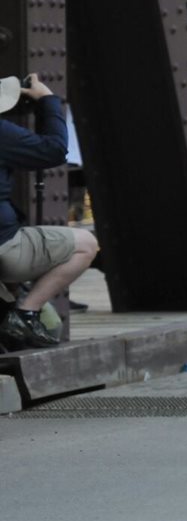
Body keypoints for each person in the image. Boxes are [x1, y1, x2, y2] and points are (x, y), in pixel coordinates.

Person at [0, 75, 99, 349]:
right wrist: (47, 102)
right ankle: (26, 313)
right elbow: (54, 151)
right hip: (4, 246)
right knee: (86, 245)